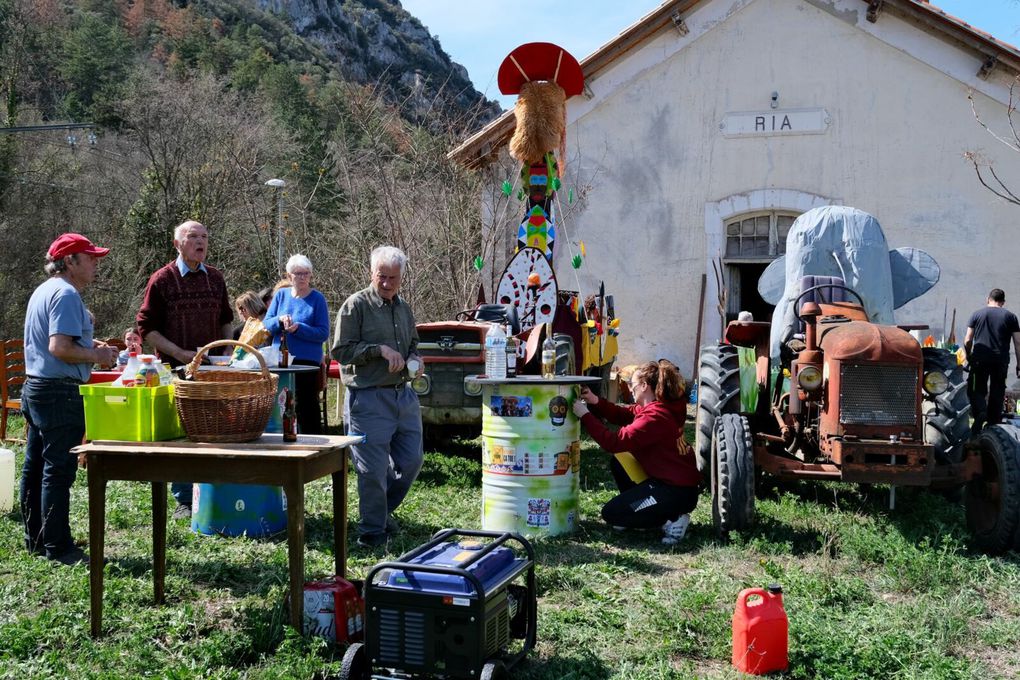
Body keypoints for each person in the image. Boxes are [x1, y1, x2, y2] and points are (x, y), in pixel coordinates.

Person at [21, 233, 118, 565]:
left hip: (36, 387)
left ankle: (37, 537)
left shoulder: (45, 290)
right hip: (59, 392)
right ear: (70, 261)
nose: (96, 263)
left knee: (36, 466)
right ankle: (59, 548)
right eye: (89, 257)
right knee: (58, 471)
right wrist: (98, 354)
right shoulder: (64, 293)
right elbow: (60, 348)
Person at [136, 220, 233, 519]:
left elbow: (227, 318)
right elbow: (145, 328)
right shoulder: (162, 279)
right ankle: (184, 499)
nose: (200, 242)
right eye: (193, 237)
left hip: (213, 371)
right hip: (175, 370)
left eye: (204, 236)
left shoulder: (215, 278)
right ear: (177, 243)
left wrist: (227, 349)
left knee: (214, 430)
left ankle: (212, 490)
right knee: (181, 433)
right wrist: (179, 353)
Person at [331, 246, 424, 548]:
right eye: (381, 276)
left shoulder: (404, 308)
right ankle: (371, 532)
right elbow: (340, 352)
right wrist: (378, 350)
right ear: (371, 273)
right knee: (371, 471)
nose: (386, 283)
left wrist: (416, 360)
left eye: (393, 278)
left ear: (401, 277)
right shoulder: (355, 306)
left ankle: (381, 512)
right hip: (368, 399)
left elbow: (413, 344)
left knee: (411, 461)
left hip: (403, 396)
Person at [572, 359, 700, 545]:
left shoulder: (654, 417)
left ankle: (672, 520)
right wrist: (594, 401)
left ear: (644, 385)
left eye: (631, 384)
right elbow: (622, 414)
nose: (630, 389)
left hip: (674, 492)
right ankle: (640, 512)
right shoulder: (658, 407)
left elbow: (613, 442)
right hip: (672, 485)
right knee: (620, 462)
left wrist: (585, 415)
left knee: (612, 514)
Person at [264, 254, 330, 434]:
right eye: (298, 273)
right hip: (282, 361)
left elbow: (323, 333)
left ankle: (313, 441)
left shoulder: (317, 299)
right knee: (281, 402)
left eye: (306, 273)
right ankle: (281, 438)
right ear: (289, 275)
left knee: (306, 404)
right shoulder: (281, 295)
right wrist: (280, 320)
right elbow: (266, 324)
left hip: (306, 362)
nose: (302, 277)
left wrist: (299, 328)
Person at [964, 288, 1020, 435]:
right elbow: (1018, 342)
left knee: (976, 388)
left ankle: (980, 412)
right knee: (998, 389)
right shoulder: (1011, 317)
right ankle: (993, 423)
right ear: (1003, 302)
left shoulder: (977, 314)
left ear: (988, 299)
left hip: (979, 359)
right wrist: (1019, 364)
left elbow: (968, 339)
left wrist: (968, 355)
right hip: (1000, 361)